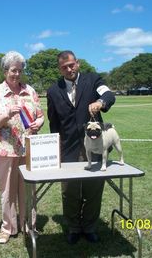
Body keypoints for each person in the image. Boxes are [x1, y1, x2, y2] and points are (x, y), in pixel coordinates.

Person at [47, 50, 115, 244]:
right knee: (69, 192)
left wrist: (101, 102)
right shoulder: (53, 91)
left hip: (94, 146)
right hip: (68, 149)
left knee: (93, 190)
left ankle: (90, 226)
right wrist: (56, 150)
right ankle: (74, 227)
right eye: (64, 67)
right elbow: (54, 123)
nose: (69, 69)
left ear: (77, 63)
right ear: (59, 69)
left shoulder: (93, 80)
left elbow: (109, 94)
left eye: (71, 65)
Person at [0, 51, 44, 244]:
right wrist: (6, 115)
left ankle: (29, 225)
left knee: (28, 189)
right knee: (7, 191)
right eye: (13, 70)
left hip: (28, 149)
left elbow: (40, 115)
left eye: (20, 70)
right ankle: (8, 227)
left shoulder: (30, 91)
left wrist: (38, 123)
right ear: (5, 71)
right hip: (5, 149)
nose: (17, 74)